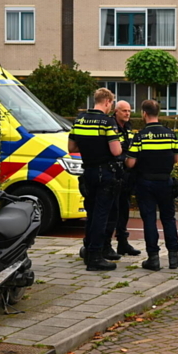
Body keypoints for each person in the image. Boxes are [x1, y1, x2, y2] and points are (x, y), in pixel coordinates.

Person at [68, 88, 122, 271]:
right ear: (107, 101)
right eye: (112, 103)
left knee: (90, 214)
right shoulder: (107, 122)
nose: (111, 107)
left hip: (87, 172)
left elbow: (72, 147)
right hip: (104, 173)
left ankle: (88, 249)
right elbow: (116, 151)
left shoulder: (80, 120)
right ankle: (96, 257)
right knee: (101, 215)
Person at [124, 99, 178, 271]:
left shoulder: (140, 136)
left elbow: (131, 163)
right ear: (158, 113)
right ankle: (173, 257)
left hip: (146, 182)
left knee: (149, 219)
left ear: (144, 113)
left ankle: (153, 258)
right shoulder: (170, 134)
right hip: (165, 181)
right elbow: (176, 159)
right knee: (169, 219)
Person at [112, 101, 141, 257]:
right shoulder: (110, 126)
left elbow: (131, 147)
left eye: (129, 111)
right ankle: (105, 245)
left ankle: (123, 243)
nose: (127, 113)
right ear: (116, 111)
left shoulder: (128, 127)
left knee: (124, 210)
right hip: (114, 174)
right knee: (111, 211)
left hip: (127, 176)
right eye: (124, 111)